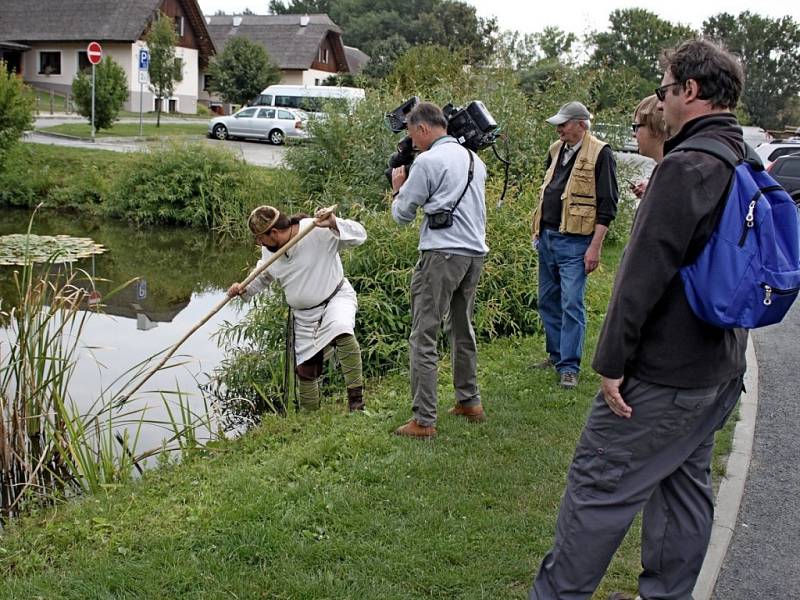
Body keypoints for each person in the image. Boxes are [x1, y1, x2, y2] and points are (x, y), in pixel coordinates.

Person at [529, 39, 748, 600]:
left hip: (662, 375)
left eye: (665, 89)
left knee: (598, 487)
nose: (663, 101)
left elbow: (640, 278)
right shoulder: (738, 158)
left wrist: (611, 363)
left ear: (689, 92)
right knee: (683, 490)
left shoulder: (685, 165)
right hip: (716, 370)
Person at [389, 101, 489, 439]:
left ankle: (424, 420)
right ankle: (469, 400)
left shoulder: (428, 161)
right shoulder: (475, 160)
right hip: (473, 254)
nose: (412, 142)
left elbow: (402, 215)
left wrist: (397, 187)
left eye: (411, 134)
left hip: (441, 254)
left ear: (422, 128)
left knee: (423, 334)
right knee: (462, 328)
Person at [228, 205, 367, 412]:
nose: (258, 243)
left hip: (335, 299)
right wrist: (242, 289)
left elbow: (359, 235)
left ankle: (357, 405)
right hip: (304, 316)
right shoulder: (270, 251)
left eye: (259, 238)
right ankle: (309, 419)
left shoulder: (315, 229)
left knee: (342, 330)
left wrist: (334, 223)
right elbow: (264, 275)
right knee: (305, 369)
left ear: (273, 232)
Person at [531, 101, 619, 389]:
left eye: (564, 124)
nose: (559, 129)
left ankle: (570, 366)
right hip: (547, 238)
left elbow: (608, 205)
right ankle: (556, 355)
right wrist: (538, 231)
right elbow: (548, 192)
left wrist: (594, 247)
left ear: (581, 124)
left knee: (571, 303)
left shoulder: (601, 153)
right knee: (547, 301)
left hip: (576, 243)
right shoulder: (555, 150)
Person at [630, 94, 668, 199]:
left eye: (636, 127)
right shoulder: (666, 172)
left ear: (654, 128)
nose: (633, 134)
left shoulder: (672, 175)